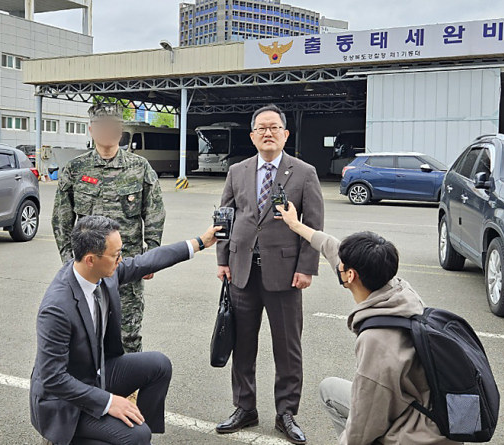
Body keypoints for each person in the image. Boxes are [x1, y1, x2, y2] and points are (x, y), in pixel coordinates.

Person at [275, 202, 459, 445]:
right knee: (330, 388)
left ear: (350, 276)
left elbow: (364, 423)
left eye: (342, 266)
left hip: (416, 437)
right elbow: (331, 246)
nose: (337, 265)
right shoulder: (400, 291)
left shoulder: (376, 340)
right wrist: (295, 225)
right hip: (431, 414)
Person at [31, 215, 220, 445]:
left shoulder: (103, 275)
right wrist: (109, 402)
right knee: (136, 436)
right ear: (90, 259)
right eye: (116, 255)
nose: (121, 260)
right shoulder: (57, 308)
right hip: (64, 403)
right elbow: (53, 378)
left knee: (158, 366)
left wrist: (200, 242)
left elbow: (147, 261)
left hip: (95, 374)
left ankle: (131, 433)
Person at [215, 104, 324, 444]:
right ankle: (244, 407)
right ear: (252, 135)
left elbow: (314, 223)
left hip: (286, 274)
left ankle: (286, 413)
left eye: (274, 127)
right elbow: (225, 217)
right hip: (242, 273)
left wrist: (307, 267)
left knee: (287, 349)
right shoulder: (238, 171)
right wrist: (223, 259)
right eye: (261, 128)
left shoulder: (303, 172)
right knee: (242, 346)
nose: (267, 133)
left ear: (285, 134)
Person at [52, 102, 165, 354]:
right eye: (101, 126)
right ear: (91, 130)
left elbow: (154, 211)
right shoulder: (75, 169)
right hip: (88, 266)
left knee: (129, 332)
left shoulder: (139, 168)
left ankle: (129, 388)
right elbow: (61, 218)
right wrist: (69, 260)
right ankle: (95, 388)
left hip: (128, 265)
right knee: (87, 329)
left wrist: (151, 256)